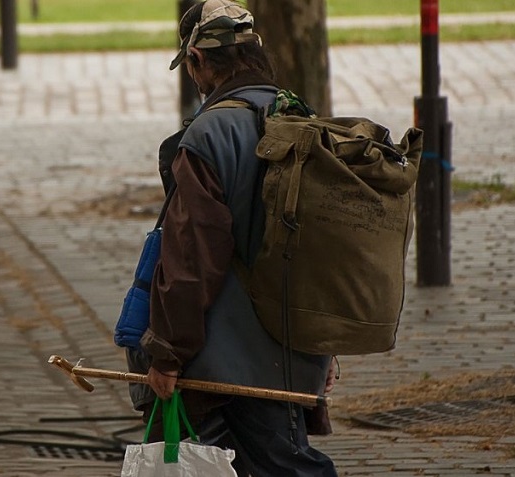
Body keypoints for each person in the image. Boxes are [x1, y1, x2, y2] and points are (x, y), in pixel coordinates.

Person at [132, 1, 339, 475]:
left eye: (190, 67)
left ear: (198, 61)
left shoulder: (207, 135)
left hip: (222, 360)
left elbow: (191, 255)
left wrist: (166, 353)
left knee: (283, 466)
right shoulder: (301, 119)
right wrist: (324, 347)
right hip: (289, 348)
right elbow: (326, 250)